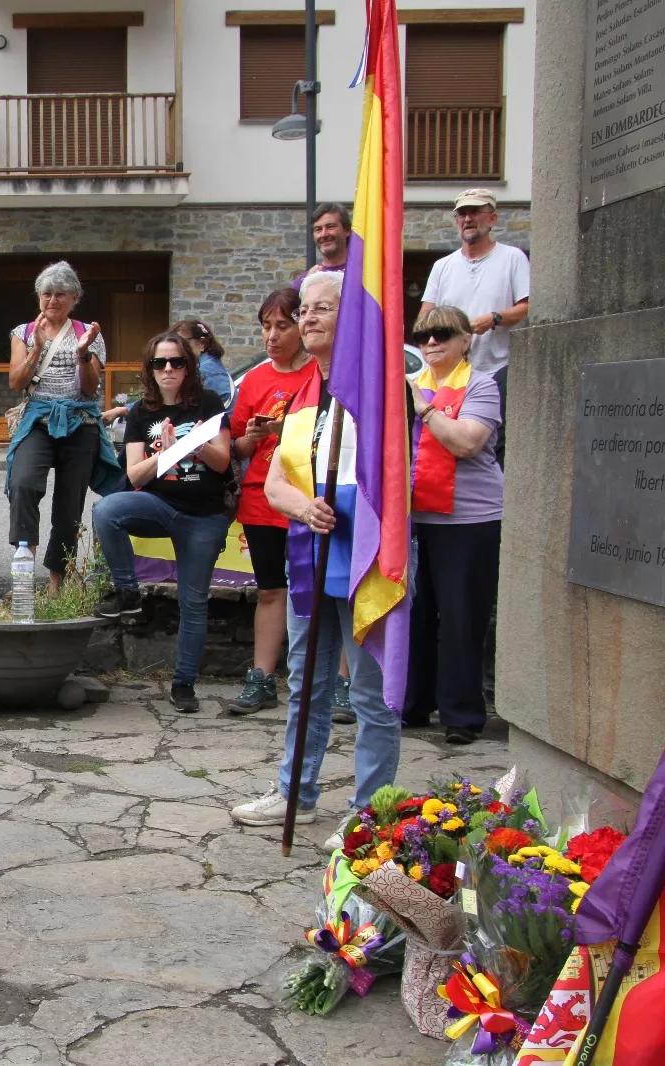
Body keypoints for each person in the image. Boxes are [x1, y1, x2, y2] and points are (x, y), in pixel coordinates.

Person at [230, 271, 401, 830]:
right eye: (305, 308)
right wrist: (304, 510)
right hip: (312, 545)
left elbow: (406, 470)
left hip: (368, 550)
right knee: (307, 680)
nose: (308, 318)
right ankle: (294, 793)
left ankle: (367, 815)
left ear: (350, 318)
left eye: (323, 308)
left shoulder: (380, 384)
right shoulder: (304, 393)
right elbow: (276, 481)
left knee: (372, 694)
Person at [91, 332, 232, 713]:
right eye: (159, 363)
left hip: (204, 514)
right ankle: (128, 593)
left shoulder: (207, 402)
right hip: (161, 505)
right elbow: (135, 477)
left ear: (189, 366)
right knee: (106, 511)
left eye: (176, 362)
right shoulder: (140, 412)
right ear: (149, 369)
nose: (168, 369)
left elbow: (222, 462)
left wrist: (191, 445)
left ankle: (184, 684)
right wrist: (163, 456)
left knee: (194, 602)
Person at [403, 305, 503, 745]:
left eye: (442, 334)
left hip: (469, 518)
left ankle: (461, 714)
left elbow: (466, 442)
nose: (431, 343)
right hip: (412, 515)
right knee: (415, 614)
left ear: (466, 340)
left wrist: (424, 410)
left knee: (462, 616)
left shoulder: (481, 385)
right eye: (423, 335)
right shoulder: (407, 385)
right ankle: (412, 704)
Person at [224, 288, 318, 714]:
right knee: (269, 590)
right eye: (266, 327)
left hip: (311, 497)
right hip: (262, 496)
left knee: (321, 590)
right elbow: (237, 446)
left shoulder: (320, 374)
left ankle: (337, 682)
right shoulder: (256, 379)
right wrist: (252, 438)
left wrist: (285, 431)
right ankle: (261, 678)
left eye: (282, 325)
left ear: (301, 326)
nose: (272, 335)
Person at [5, 261, 114, 595]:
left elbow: (88, 389)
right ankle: (24, 575)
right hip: (37, 420)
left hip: (79, 422)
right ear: (38, 296)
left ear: (75, 297)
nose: (52, 300)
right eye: (46, 293)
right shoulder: (23, 332)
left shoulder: (88, 334)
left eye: (60, 294)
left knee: (69, 504)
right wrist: (37, 348)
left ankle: (56, 584)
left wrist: (83, 355)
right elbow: (15, 382)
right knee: (23, 484)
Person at [418, 188, 529, 467]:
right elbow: (425, 315)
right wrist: (443, 330)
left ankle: (493, 501)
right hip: (451, 373)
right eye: (462, 214)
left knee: (493, 444)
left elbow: (528, 307)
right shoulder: (443, 266)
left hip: (497, 369)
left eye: (474, 212)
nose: (467, 219)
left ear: (492, 219)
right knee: (446, 442)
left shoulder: (512, 258)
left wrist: (494, 318)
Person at [173, 319, 234, 404]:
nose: (177, 348)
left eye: (183, 342)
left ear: (202, 343)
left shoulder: (206, 369)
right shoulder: (207, 363)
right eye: (174, 343)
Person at [292, 204, 353, 288]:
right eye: (318, 229)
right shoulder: (303, 282)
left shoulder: (365, 276)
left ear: (347, 230)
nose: (323, 234)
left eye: (330, 227)